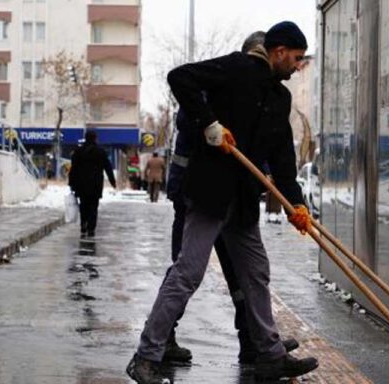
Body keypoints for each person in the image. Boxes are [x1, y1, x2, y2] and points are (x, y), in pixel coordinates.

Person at [127, 21, 317, 382]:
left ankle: (270, 354)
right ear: (278, 52)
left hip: (243, 203)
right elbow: (179, 77)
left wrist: (297, 204)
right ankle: (146, 356)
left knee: (256, 273)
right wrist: (209, 123)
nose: (297, 67)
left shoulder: (280, 99)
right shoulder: (236, 69)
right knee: (188, 273)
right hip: (211, 195)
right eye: (294, 59)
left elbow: (282, 162)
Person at [160, 31, 300, 367]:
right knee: (186, 269)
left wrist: (268, 180)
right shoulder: (219, 89)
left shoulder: (264, 97)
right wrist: (212, 125)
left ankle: (253, 342)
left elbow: (260, 145)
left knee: (245, 274)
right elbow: (199, 135)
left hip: (235, 198)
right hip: (200, 196)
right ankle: (163, 337)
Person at [68, 130, 116, 238]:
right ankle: (91, 228)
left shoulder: (78, 151)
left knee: (83, 205)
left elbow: (73, 168)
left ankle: (83, 224)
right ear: (95, 138)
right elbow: (107, 167)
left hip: (81, 184)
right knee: (93, 206)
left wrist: (71, 183)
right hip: (95, 184)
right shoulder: (100, 151)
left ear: (85, 138)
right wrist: (112, 181)